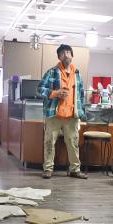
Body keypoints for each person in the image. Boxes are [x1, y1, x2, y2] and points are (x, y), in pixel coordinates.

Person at [38, 44, 88, 180]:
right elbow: (40, 89)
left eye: (68, 52)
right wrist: (55, 93)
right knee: (49, 142)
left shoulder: (77, 73)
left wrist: (80, 113)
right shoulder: (51, 72)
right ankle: (48, 169)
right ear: (59, 57)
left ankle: (75, 170)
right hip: (54, 114)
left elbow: (81, 94)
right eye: (62, 53)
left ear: (72, 55)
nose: (66, 55)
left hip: (71, 115)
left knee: (73, 143)